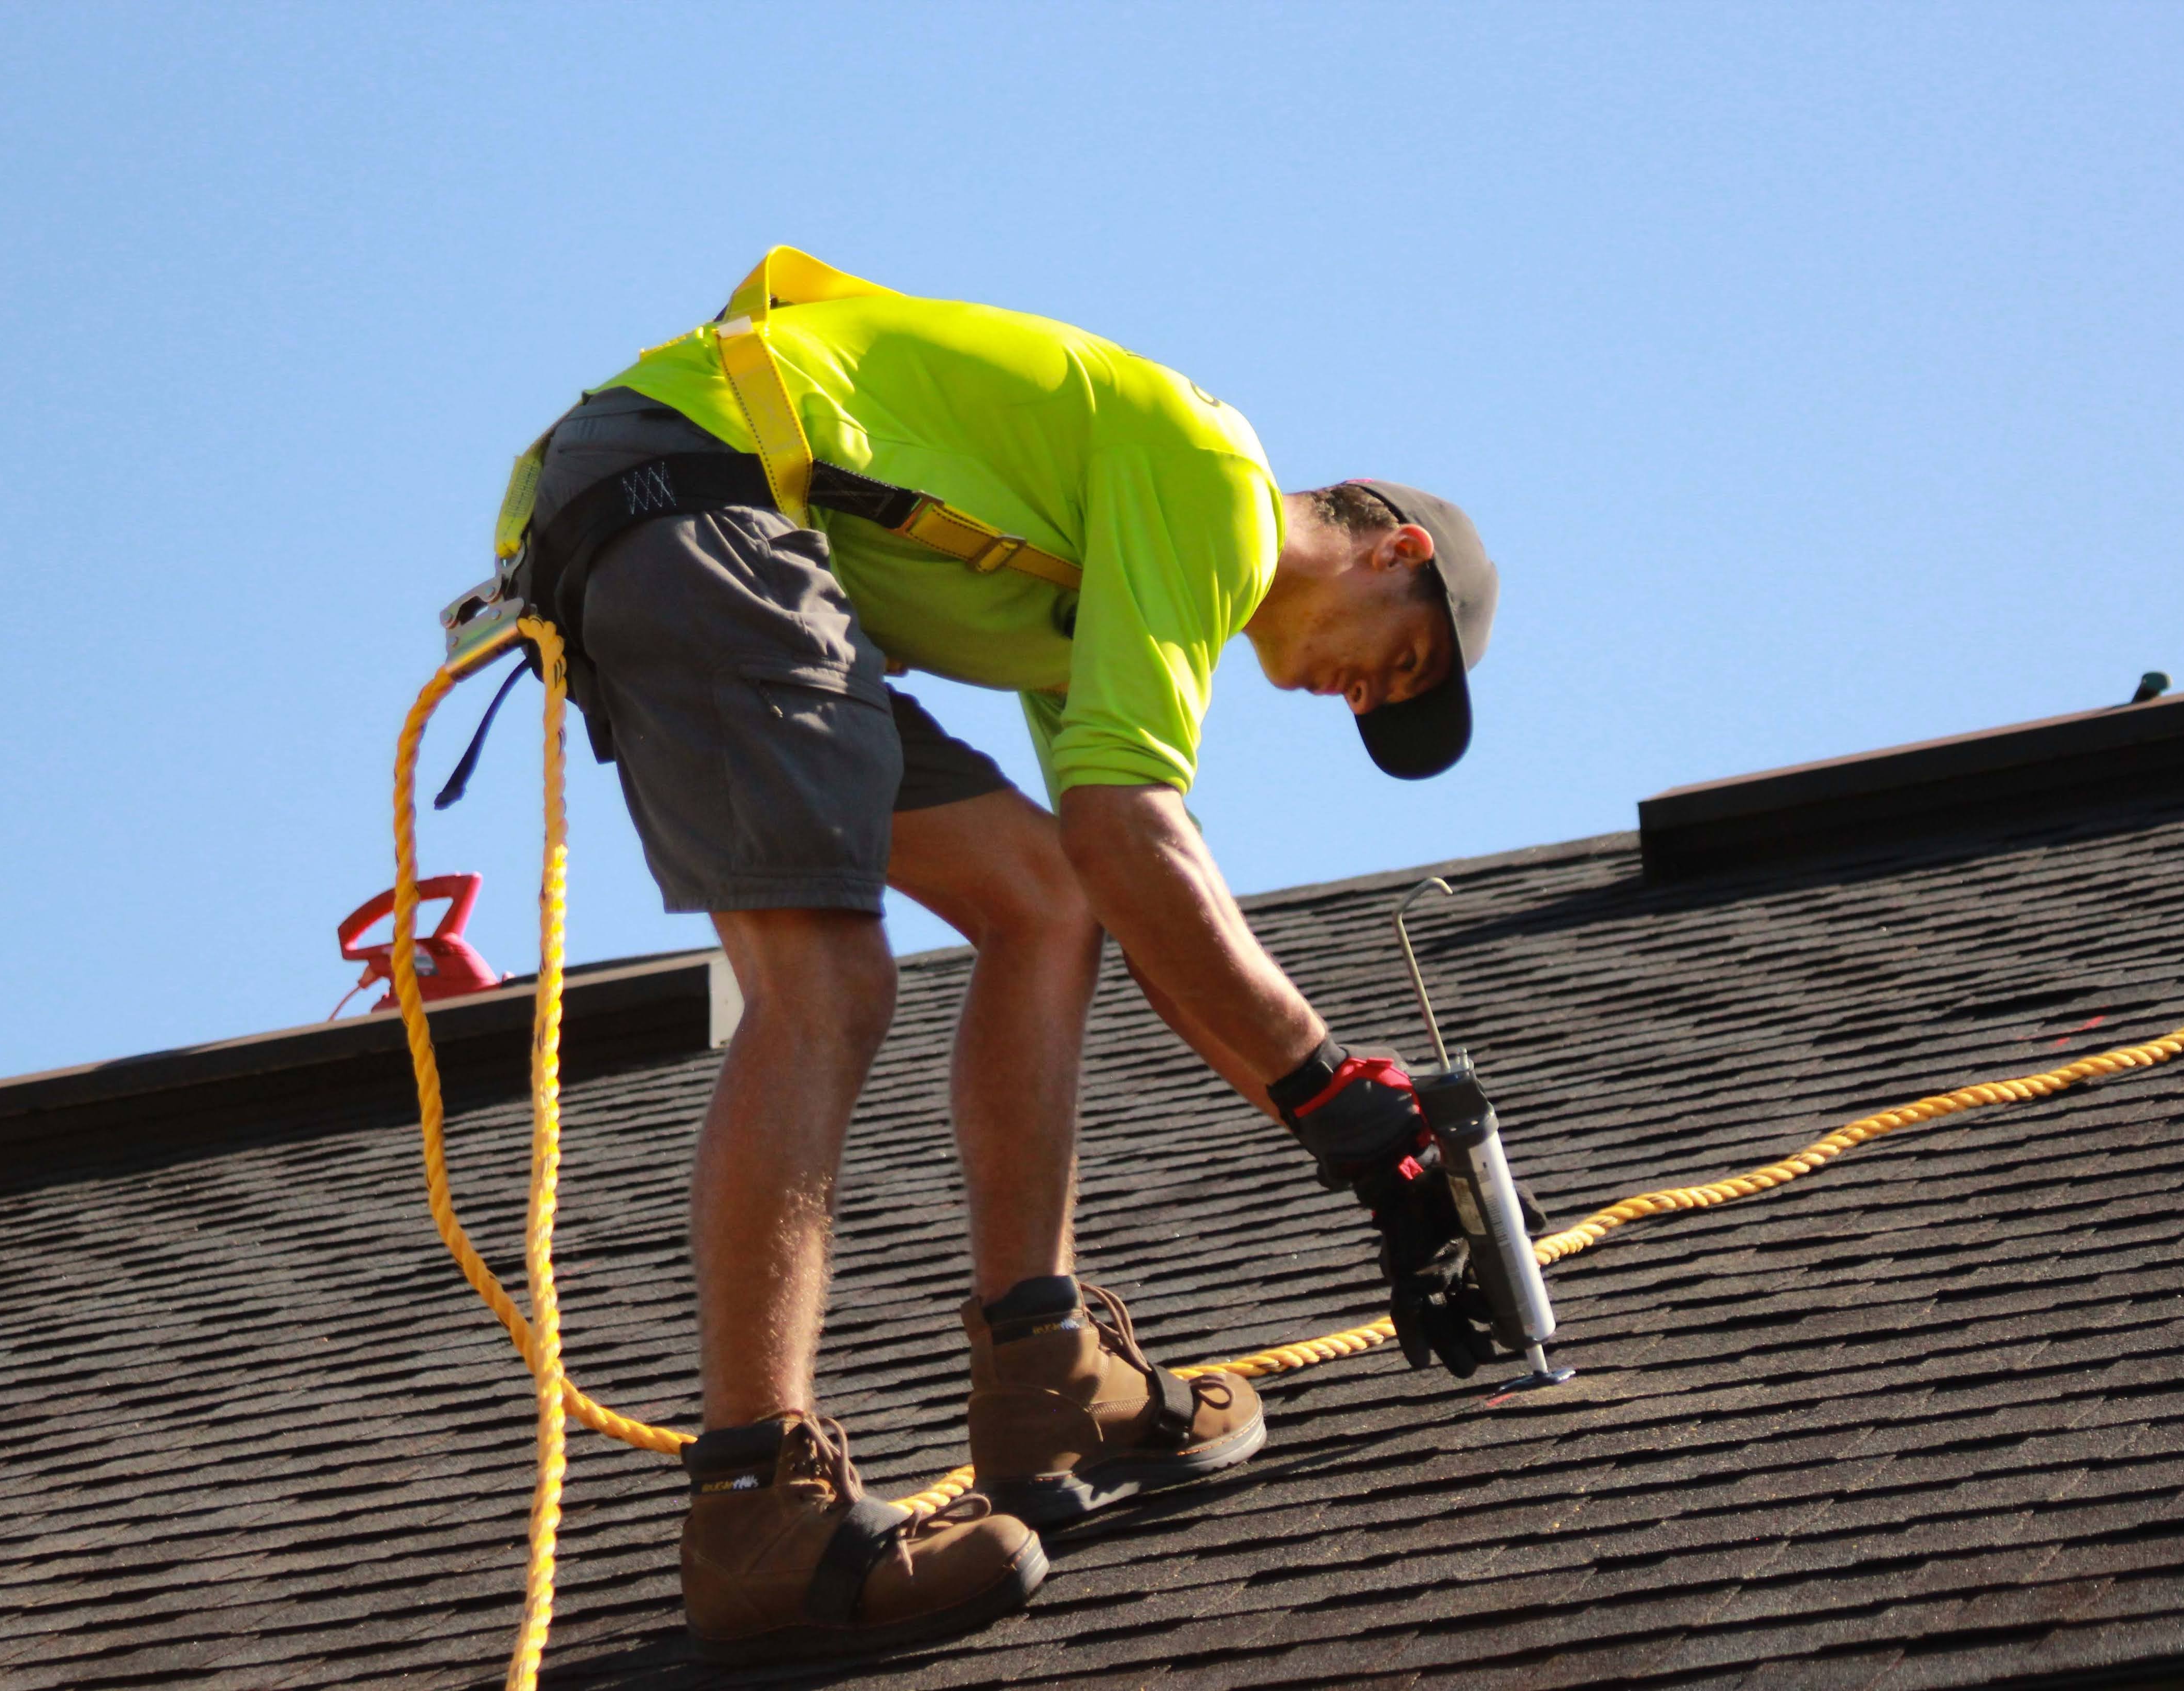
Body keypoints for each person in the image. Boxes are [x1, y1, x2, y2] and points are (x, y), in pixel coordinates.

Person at [509, 249, 1502, 1664]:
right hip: (696, 505)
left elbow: (1125, 875)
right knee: (826, 984)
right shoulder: (1210, 473)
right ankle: (753, 1515)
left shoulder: (1101, 589)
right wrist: (1345, 1100)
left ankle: (1046, 1375)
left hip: (715, 534)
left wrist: (1333, 1119)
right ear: (1393, 549)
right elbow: (1134, 822)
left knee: (1041, 900)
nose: (1360, 694)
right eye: (1396, 663)